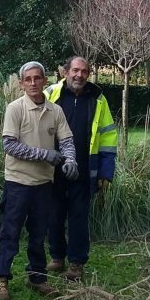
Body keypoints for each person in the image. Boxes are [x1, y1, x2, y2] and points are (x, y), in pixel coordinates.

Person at [0, 61, 78, 300]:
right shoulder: (15, 109)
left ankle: (37, 277)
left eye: (37, 78)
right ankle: (0, 279)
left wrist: (71, 161)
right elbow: (9, 144)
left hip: (43, 184)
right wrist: (44, 154)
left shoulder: (55, 111)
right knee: (10, 233)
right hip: (18, 182)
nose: (33, 83)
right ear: (21, 84)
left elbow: (67, 141)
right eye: (27, 79)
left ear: (44, 81)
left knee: (39, 234)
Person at [44, 56, 117, 281]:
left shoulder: (98, 99)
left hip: (85, 170)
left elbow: (108, 136)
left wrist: (106, 172)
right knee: (53, 215)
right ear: (65, 72)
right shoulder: (51, 94)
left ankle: (76, 263)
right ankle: (57, 257)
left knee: (78, 218)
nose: (79, 75)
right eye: (75, 70)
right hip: (52, 169)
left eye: (84, 72)